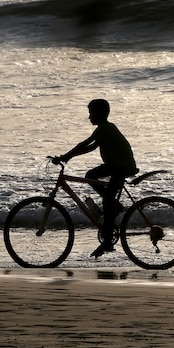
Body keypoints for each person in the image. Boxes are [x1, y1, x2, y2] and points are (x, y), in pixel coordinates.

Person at [52, 99, 138, 257]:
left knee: (107, 201)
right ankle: (114, 205)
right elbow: (90, 147)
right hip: (114, 165)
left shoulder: (104, 129)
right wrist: (69, 157)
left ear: (99, 114)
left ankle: (107, 243)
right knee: (90, 176)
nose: (89, 117)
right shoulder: (104, 128)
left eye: (91, 113)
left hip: (120, 167)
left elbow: (83, 144)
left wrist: (65, 156)